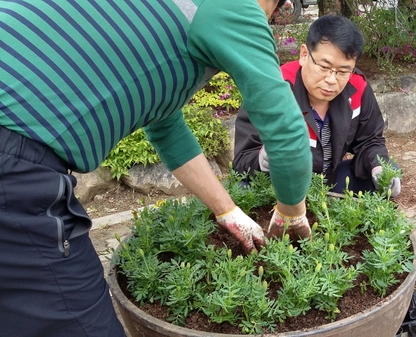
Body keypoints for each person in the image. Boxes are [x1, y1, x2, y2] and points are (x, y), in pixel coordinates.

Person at [0, 0, 312, 336]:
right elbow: (285, 131)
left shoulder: (163, 19)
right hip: (13, 154)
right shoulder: (234, 6)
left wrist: (228, 212)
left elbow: (166, 128)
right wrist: (291, 213)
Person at [234, 14, 401, 197]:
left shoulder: (357, 87)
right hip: (281, 189)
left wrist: (378, 166)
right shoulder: (272, 89)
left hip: (330, 181)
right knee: (242, 189)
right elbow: (243, 157)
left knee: (385, 174)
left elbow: (370, 140)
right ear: (304, 55)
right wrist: (261, 160)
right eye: (323, 67)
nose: (331, 80)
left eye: (343, 71)